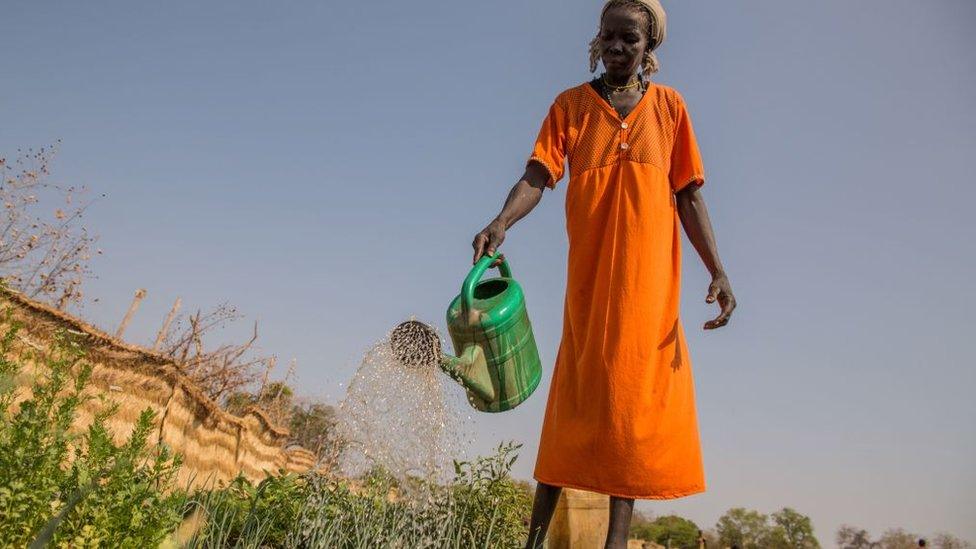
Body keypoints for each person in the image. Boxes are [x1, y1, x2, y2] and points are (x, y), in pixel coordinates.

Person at [471, 1, 735, 548]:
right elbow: (539, 174)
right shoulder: (570, 106)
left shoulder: (668, 109)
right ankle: (534, 540)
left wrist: (718, 270)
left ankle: (616, 541)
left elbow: (688, 193)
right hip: (589, 281)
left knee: (632, 404)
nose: (616, 47)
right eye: (608, 36)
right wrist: (502, 221)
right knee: (575, 398)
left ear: (649, 48)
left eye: (629, 40)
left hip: (647, 284)